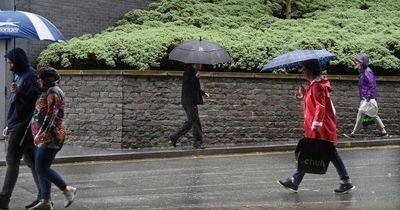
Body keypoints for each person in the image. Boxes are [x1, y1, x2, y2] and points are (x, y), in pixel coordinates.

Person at [277, 59, 355, 194]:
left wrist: (316, 124)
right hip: (319, 126)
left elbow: (321, 106)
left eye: (304, 69)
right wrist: (303, 95)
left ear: (311, 70)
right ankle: (344, 181)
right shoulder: (314, 85)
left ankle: (296, 181)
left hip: (321, 127)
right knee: (318, 152)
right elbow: (314, 101)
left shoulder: (318, 86)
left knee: (313, 152)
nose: (303, 72)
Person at [28, 67, 76, 210]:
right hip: (43, 136)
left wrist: (41, 134)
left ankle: (67, 190)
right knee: (41, 167)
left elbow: (51, 116)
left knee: (41, 168)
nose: (37, 80)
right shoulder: (47, 91)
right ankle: (46, 201)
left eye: (40, 78)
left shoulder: (54, 93)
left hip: (52, 136)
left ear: (47, 79)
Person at [0, 48, 41, 210]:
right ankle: (44, 196)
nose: (9, 66)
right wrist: (9, 124)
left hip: (23, 127)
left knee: (12, 161)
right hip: (16, 125)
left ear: (18, 62)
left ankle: (3, 199)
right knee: (32, 162)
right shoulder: (19, 75)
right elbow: (15, 103)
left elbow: (37, 100)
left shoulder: (31, 75)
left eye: (10, 63)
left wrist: (21, 92)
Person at [344, 53, 388, 138]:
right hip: (366, 98)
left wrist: (368, 97)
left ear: (362, 63)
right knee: (374, 115)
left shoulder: (367, 71)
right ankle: (383, 132)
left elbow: (372, 85)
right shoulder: (363, 72)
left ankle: (353, 133)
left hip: (367, 98)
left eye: (357, 61)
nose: (356, 63)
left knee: (361, 113)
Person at [170, 63, 209, 149]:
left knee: (191, 122)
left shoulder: (193, 72)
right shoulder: (188, 72)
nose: (202, 65)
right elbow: (188, 86)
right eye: (200, 63)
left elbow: (195, 87)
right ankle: (197, 143)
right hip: (189, 101)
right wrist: (196, 78)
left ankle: (174, 136)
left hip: (190, 101)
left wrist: (203, 93)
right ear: (196, 64)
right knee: (196, 122)